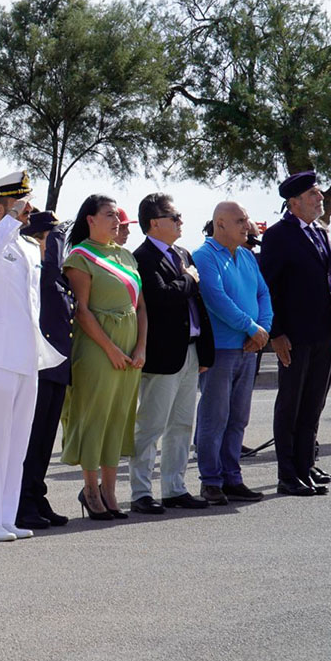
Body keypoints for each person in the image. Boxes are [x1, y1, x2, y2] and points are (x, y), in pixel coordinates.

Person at [0, 172, 65, 542]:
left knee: (17, 442)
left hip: (27, 355)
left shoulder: (26, 247)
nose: (27, 209)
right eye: (17, 203)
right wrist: (10, 220)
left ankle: (6, 515)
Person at [260, 171, 331, 496]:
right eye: (313, 194)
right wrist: (276, 332)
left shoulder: (320, 233)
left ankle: (304, 466)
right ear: (294, 201)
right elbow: (268, 287)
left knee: (313, 403)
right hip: (294, 335)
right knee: (291, 403)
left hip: (322, 332)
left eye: (319, 193)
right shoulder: (278, 236)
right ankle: (288, 474)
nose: (320, 198)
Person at [61, 194, 147, 521]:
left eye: (116, 215)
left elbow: (140, 307)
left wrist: (140, 347)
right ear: (90, 220)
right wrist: (110, 348)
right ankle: (91, 490)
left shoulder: (126, 256)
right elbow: (81, 311)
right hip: (98, 349)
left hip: (129, 351)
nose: (116, 221)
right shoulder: (80, 257)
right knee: (94, 417)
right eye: (108, 215)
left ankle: (112, 492)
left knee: (118, 418)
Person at [128, 193, 214, 514]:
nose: (181, 223)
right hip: (163, 355)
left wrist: (205, 352)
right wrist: (188, 279)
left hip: (190, 350)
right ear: (155, 223)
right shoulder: (143, 257)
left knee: (181, 424)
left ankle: (175, 488)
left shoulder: (183, 253)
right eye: (175, 218)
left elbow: (196, 304)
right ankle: (140, 492)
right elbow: (162, 298)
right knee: (151, 424)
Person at [192, 202, 271, 504]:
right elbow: (215, 298)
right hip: (222, 349)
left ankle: (231, 477)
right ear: (220, 224)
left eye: (247, 220)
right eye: (240, 220)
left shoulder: (248, 257)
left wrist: (261, 328)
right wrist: (251, 328)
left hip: (248, 348)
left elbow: (263, 294)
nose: (246, 226)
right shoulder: (205, 255)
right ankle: (211, 481)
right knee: (215, 417)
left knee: (238, 416)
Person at [15, 210, 74, 529]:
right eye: (49, 239)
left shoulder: (57, 274)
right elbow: (49, 267)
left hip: (57, 366)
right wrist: (54, 242)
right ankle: (22, 503)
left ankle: (37, 496)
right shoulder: (36, 271)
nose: (56, 246)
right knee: (31, 439)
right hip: (37, 366)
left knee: (44, 441)